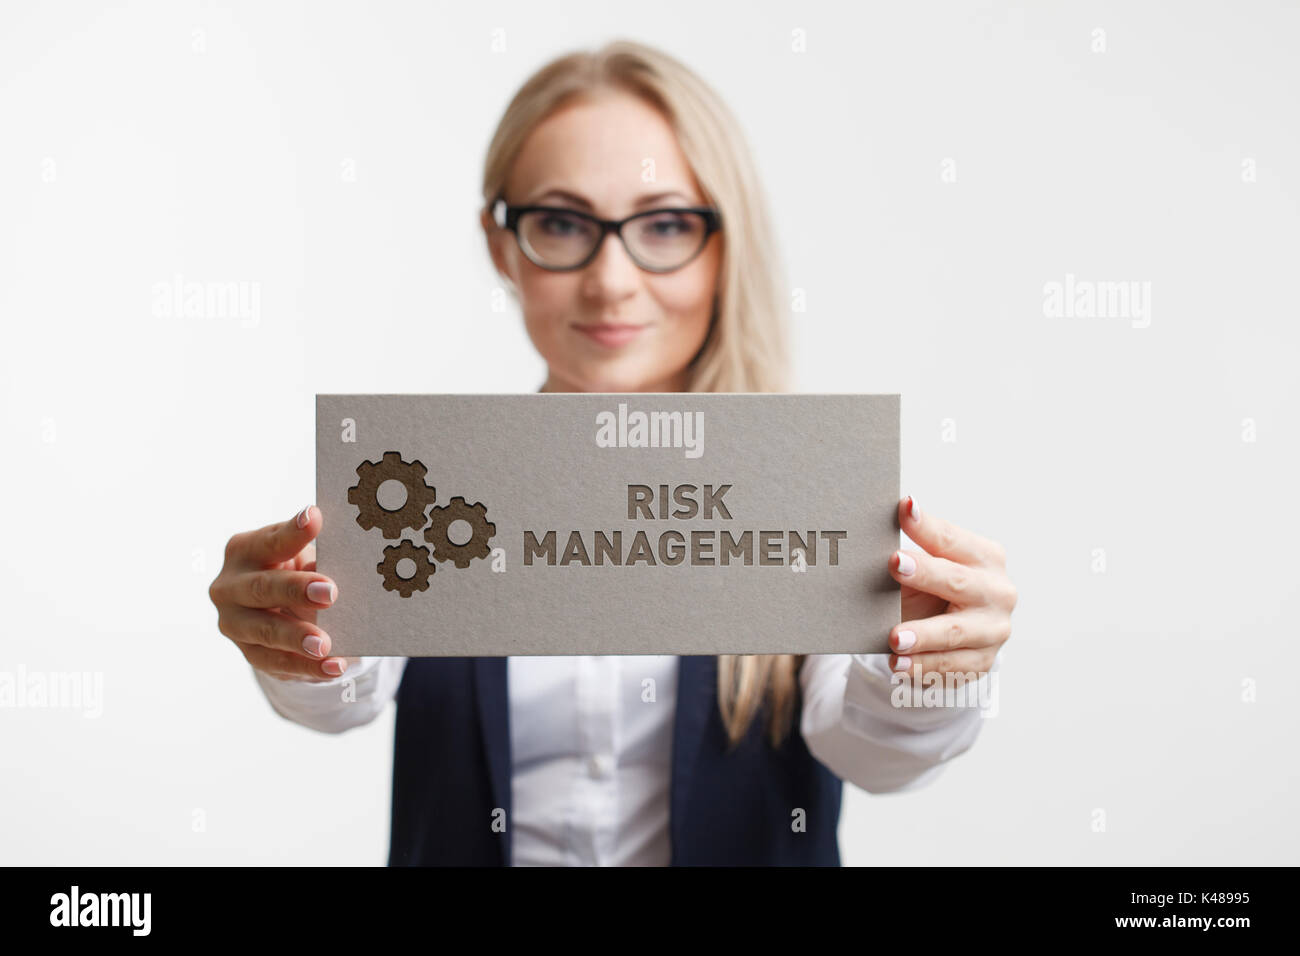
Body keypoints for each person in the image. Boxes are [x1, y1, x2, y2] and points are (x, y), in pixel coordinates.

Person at [207, 40, 1017, 866]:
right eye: (561, 222)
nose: (611, 280)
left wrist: (932, 663)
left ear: (723, 247)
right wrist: (295, 630)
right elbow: (343, 695)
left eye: (664, 224)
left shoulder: (801, 486)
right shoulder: (434, 487)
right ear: (502, 247)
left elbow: (874, 751)